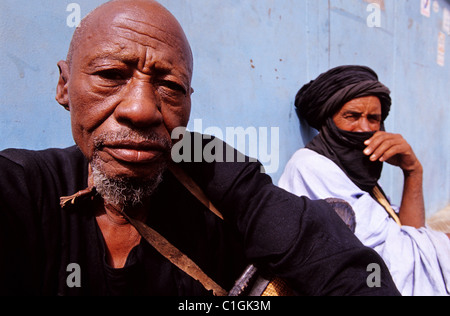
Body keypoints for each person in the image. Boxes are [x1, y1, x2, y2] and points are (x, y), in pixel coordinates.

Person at [0, 1, 400, 296]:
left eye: (169, 87)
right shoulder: (21, 187)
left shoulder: (208, 169)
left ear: (189, 100)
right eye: (110, 75)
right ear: (65, 86)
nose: (140, 110)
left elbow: (331, 257)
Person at [279, 65, 450, 296]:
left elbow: (412, 237)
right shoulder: (310, 166)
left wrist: (412, 171)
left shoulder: (361, 176)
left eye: (373, 119)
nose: (365, 129)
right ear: (328, 120)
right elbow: (379, 262)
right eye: (352, 116)